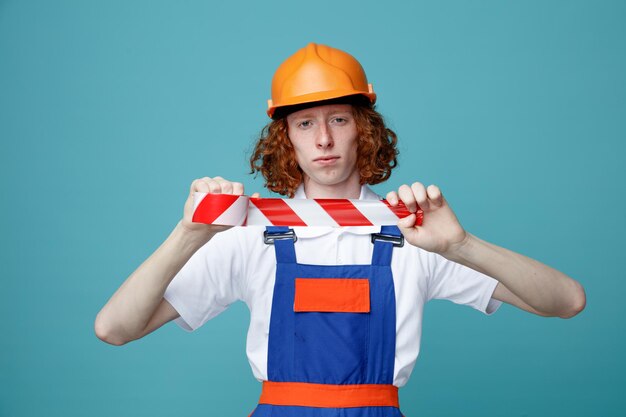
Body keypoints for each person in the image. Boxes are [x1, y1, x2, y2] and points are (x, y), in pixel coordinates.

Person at [95, 43, 586, 416]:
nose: (324, 138)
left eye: (338, 119)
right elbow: (114, 329)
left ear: (363, 129)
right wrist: (189, 234)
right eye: (305, 123)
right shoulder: (251, 236)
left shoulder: (415, 234)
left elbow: (566, 301)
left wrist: (461, 245)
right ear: (285, 138)